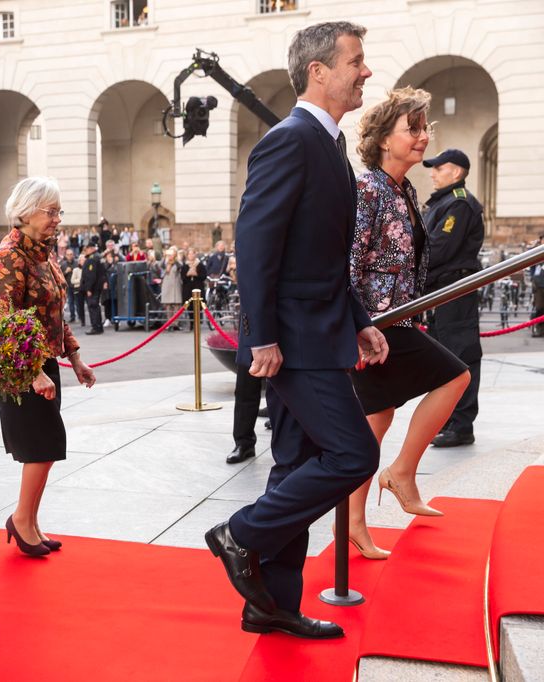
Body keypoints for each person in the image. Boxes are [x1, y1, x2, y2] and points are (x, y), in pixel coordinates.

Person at [204, 22, 388, 640]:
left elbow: (323, 256)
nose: (365, 71)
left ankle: (271, 604)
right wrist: (261, 338)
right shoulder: (292, 140)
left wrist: (359, 322)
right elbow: (256, 245)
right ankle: (240, 535)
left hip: (319, 330)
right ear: (318, 71)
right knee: (354, 453)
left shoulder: (326, 142)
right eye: (356, 61)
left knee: (295, 464)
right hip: (295, 342)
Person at [345, 88, 471, 559]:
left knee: (374, 422)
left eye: (425, 128)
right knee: (456, 375)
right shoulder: (368, 189)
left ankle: (355, 523)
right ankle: (399, 474)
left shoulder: (405, 189)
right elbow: (348, 265)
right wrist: (356, 331)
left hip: (397, 322)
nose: (423, 138)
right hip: (377, 326)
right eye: (412, 129)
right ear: (382, 140)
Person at [0, 177, 96, 557]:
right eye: (51, 211)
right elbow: (5, 322)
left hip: (44, 362)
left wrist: (75, 358)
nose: (57, 219)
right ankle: (21, 520)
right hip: (23, 367)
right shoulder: (8, 257)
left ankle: (28, 522)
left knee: (44, 448)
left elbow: (54, 314)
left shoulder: (43, 253)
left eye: (58, 211)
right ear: (25, 211)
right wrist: (34, 373)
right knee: (41, 446)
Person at [421, 148, 485, 448]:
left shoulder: (459, 204)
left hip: (455, 289)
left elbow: (438, 248)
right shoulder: (443, 202)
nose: (433, 173)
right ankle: (449, 421)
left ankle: (460, 425)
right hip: (441, 291)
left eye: (439, 168)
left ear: (456, 172)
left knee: (460, 353)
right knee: (444, 355)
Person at [82, 240, 106, 335]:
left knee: (93, 307)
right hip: (98, 286)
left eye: (87, 249)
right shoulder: (99, 257)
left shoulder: (92, 259)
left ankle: (95, 327)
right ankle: (99, 326)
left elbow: (91, 275)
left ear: (91, 248)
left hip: (93, 287)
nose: (85, 251)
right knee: (96, 306)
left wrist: (88, 289)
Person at [160, 247, 182, 329]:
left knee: (176, 305)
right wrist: (164, 256)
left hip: (176, 284)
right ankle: (169, 322)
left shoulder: (177, 262)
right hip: (167, 284)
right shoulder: (165, 262)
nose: (171, 255)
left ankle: (176, 323)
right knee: (168, 304)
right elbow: (160, 266)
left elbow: (180, 266)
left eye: (172, 253)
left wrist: (174, 259)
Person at [59, 247, 77, 322]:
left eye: (71, 254)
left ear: (73, 255)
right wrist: (66, 272)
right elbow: (59, 276)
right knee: (71, 301)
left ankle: (81, 316)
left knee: (79, 302)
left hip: (77, 286)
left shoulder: (77, 263)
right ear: (66, 255)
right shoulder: (63, 264)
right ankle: (72, 316)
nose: (70, 256)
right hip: (68, 286)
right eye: (68, 254)